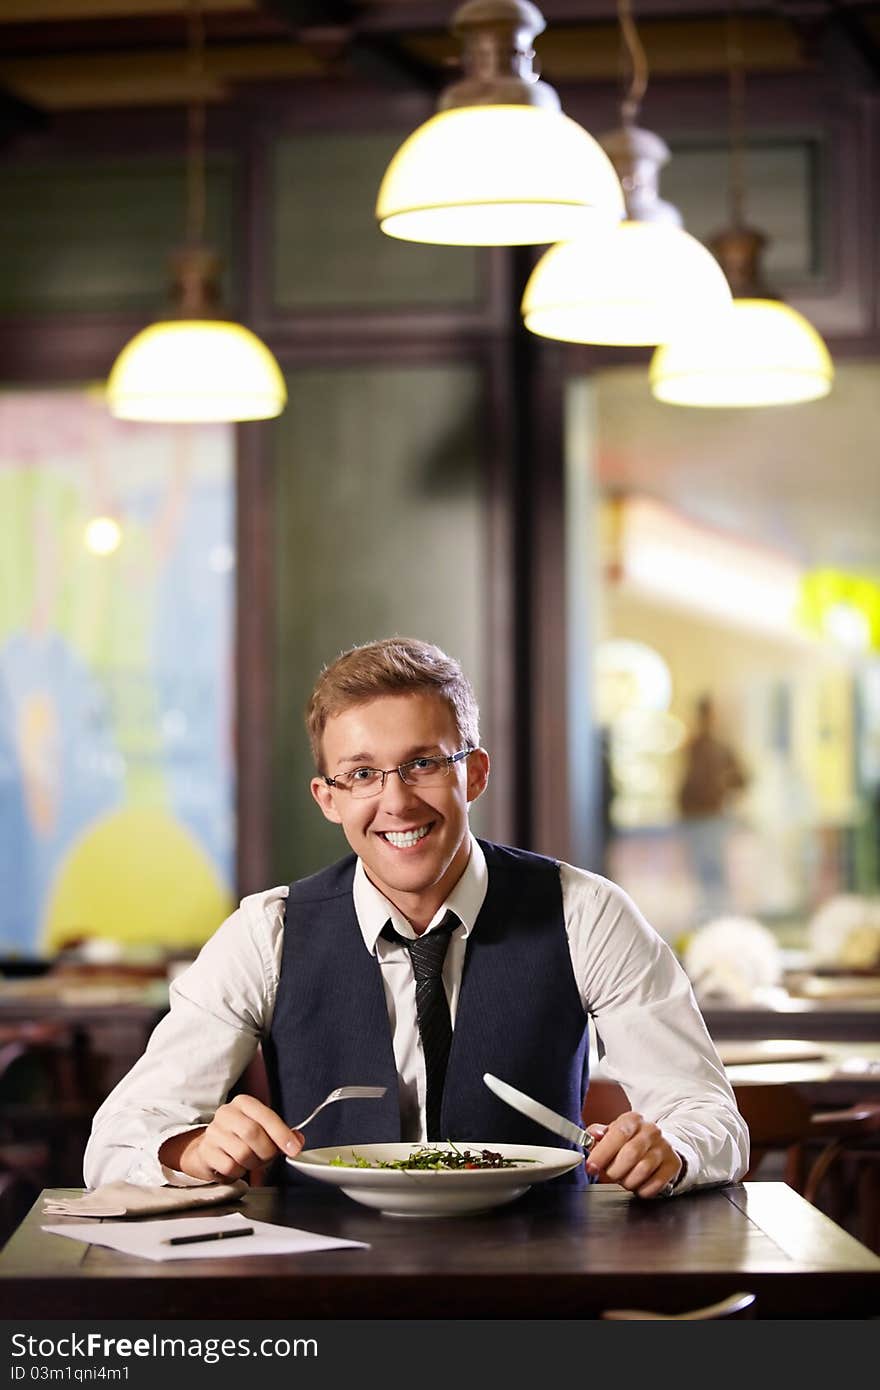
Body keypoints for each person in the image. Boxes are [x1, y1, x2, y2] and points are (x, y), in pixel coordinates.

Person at [85, 638, 748, 1199]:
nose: (396, 802)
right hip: (324, 1293)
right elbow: (117, 1141)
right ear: (327, 798)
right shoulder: (267, 933)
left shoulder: (587, 913)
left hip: (539, 1285)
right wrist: (187, 1150)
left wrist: (673, 1151)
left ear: (476, 773)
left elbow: (709, 1116)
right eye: (362, 774)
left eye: (423, 764)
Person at [677, 694, 749, 922]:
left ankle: (720, 917)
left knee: (714, 869)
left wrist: (724, 789)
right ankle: (710, 917)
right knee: (703, 870)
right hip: (696, 816)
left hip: (712, 816)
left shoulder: (719, 747)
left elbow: (742, 779)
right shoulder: (695, 745)